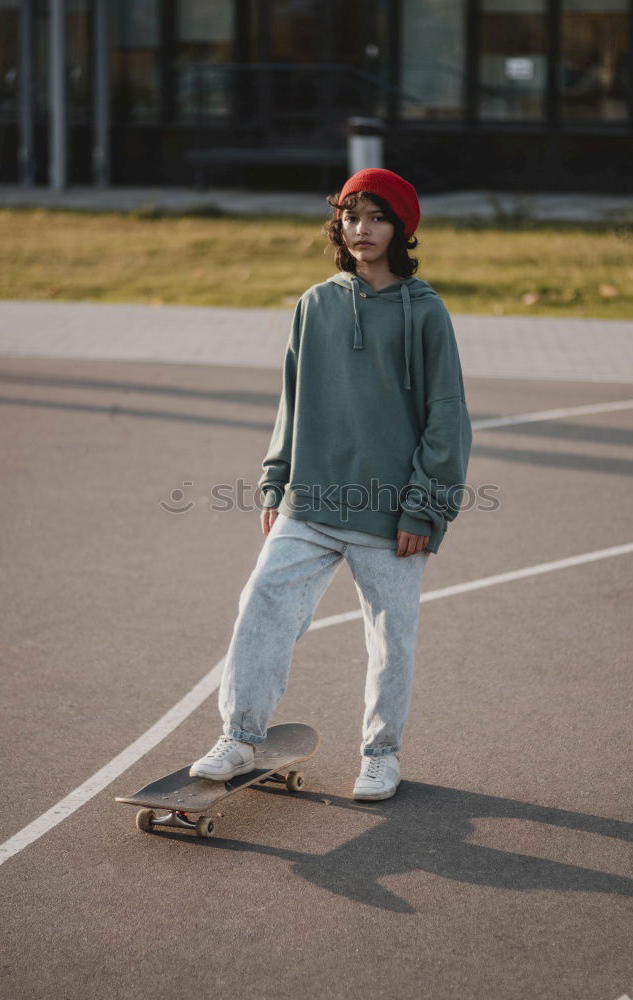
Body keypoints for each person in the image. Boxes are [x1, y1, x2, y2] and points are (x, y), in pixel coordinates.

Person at [190, 168, 473, 801]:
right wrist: (275, 482)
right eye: (351, 217)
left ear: (400, 229)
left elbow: (447, 416)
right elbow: (292, 399)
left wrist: (425, 507)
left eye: (376, 217)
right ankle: (239, 737)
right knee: (261, 604)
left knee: (390, 637)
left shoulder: (424, 312)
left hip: (393, 512)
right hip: (312, 499)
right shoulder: (315, 304)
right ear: (337, 226)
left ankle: (380, 753)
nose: (361, 229)